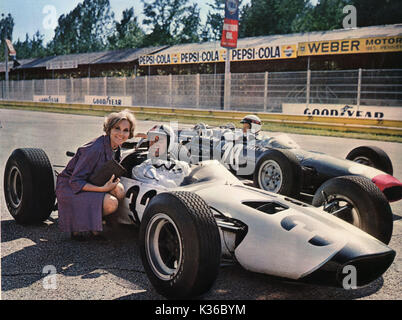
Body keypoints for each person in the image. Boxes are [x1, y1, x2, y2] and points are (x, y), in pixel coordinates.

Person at [55, 109, 139, 241]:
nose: (121, 134)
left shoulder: (115, 146)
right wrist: (103, 189)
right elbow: (75, 181)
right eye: (117, 128)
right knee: (112, 203)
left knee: (120, 190)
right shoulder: (95, 149)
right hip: (70, 188)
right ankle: (81, 226)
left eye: (126, 130)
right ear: (109, 129)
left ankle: (98, 223)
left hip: (92, 181)